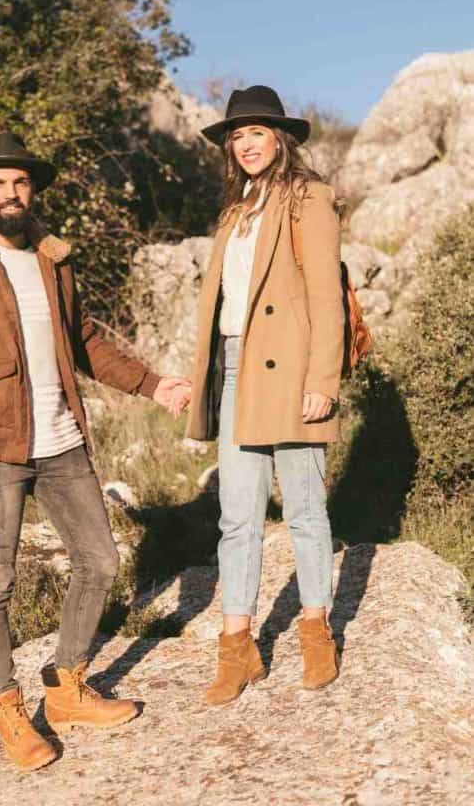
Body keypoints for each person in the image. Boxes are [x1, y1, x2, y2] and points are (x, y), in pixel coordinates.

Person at [0, 132, 189, 772]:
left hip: (62, 439)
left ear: (32, 189)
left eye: (19, 182)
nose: (10, 193)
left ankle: (68, 686)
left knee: (100, 562)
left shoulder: (53, 257)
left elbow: (86, 343)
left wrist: (155, 385)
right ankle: (7, 708)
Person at [184, 85, 345, 705]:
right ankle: (238, 647)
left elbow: (327, 297)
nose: (246, 144)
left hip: (292, 369)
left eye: (257, 133)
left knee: (304, 509)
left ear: (281, 138)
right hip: (234, 366)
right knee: (237, 516)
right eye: (237, 136)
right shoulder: (234, 208)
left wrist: (321, 382)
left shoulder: (310, 198)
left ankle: (315, 633)